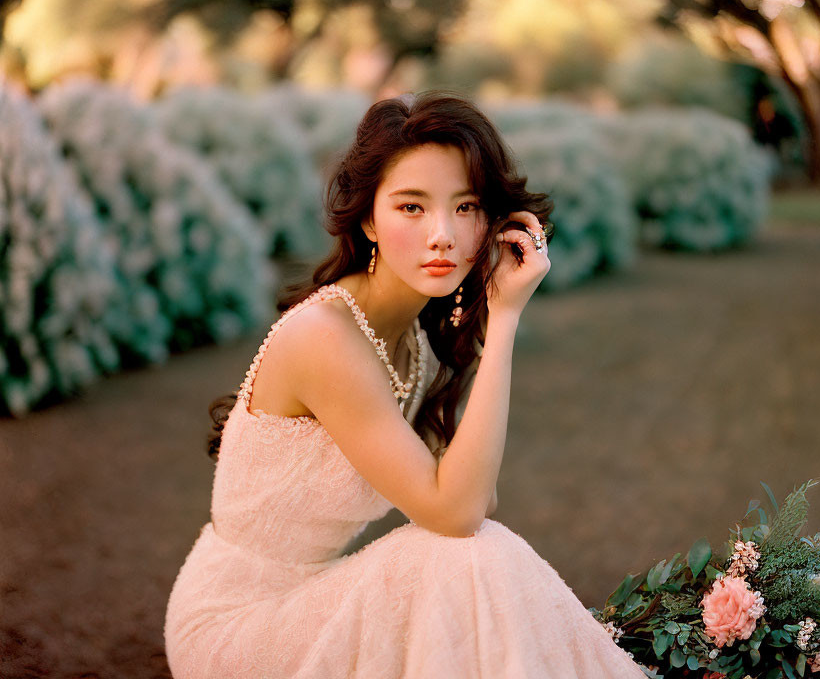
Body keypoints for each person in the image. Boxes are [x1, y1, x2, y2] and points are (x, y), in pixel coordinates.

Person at [164, 90, 646, 678]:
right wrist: (508, 323)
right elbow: (460, 512)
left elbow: (475, 497)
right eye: (412, 207)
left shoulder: (416, 342)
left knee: (467, 557)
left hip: (312, 599)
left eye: (465, 207)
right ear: (368, 218)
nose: (442, 234)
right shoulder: (325, 336)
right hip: (235, 624)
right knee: (452, 554)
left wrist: (493, 316)